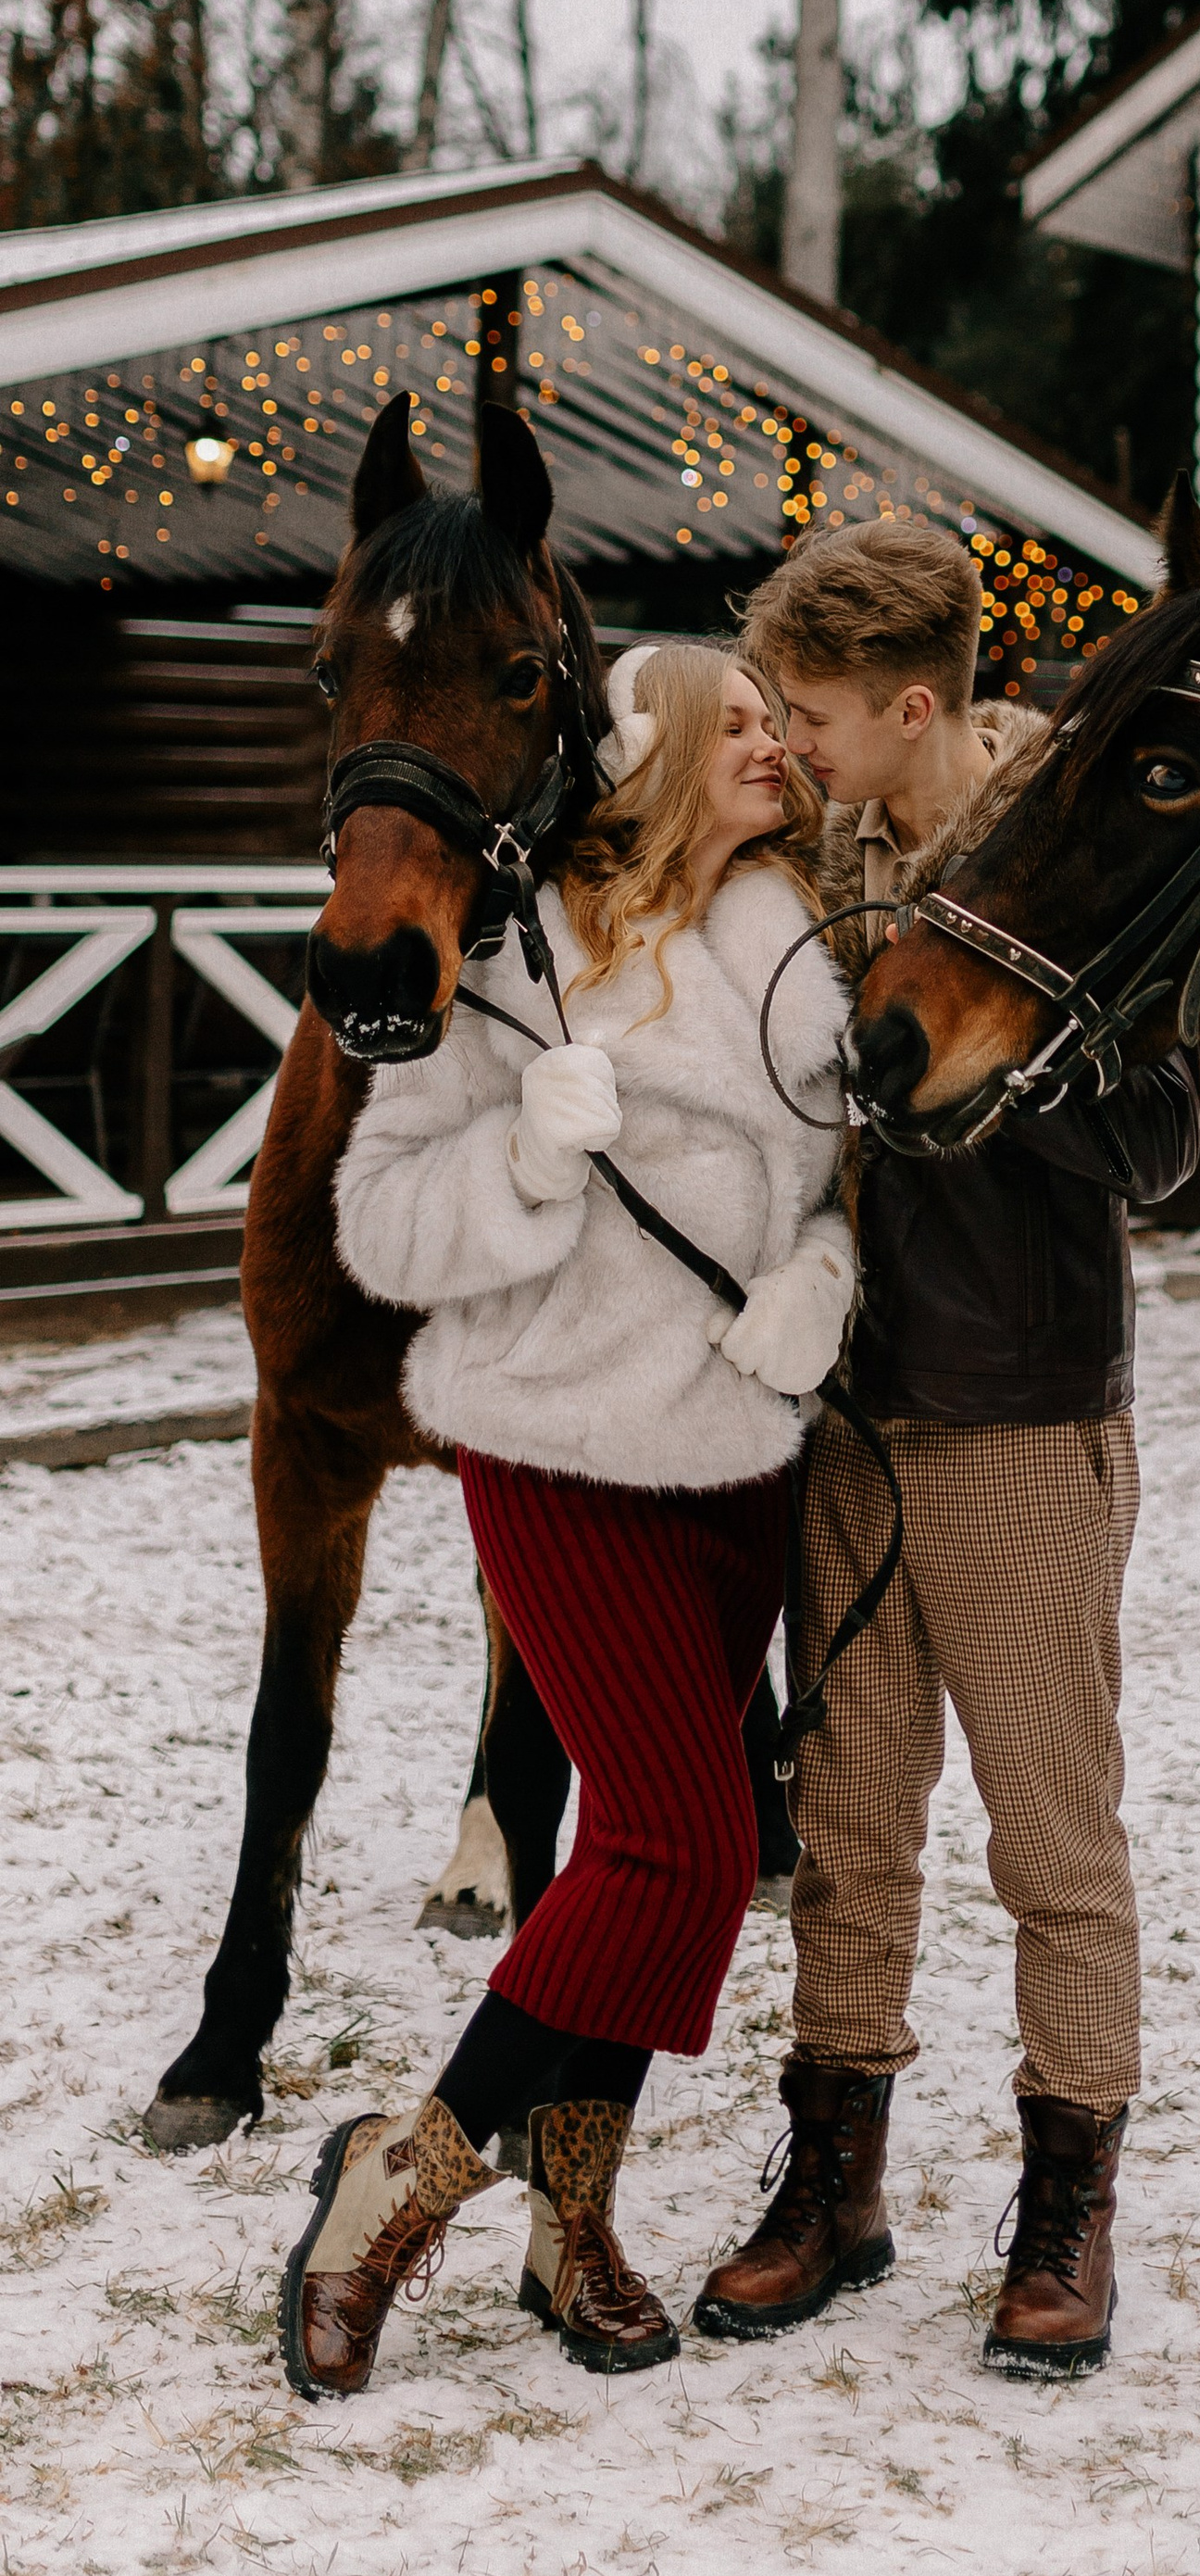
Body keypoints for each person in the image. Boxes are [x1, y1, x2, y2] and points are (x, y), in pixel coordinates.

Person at [281, 643, 855, 2401]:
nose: (777, 742)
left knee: (643, 1850)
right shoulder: (512, 962)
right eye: (739, 720)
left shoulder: (808, 961)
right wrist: (520, 1155)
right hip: (554, 1452)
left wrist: (820, 1280)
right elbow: (375, 1227)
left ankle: (573, 2219)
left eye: (781, 718)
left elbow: (846, 1195)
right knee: (684, 1840)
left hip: (736, 1465)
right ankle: (410, 2172)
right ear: (653, 752)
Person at [695, 521, 1200, 2380]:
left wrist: (1009, 1036)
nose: (795, 742)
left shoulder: (1069, 859)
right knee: (844, 1823)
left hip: (1017, 1409)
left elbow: (1159, 1144)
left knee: (1050, 1838)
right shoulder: (805, 858)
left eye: (816, 715)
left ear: (918, 708)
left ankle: (1068, 2204)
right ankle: (833, 2179)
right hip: (841, 1416)